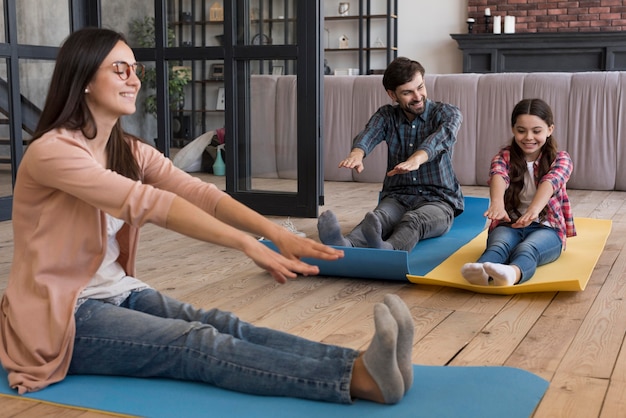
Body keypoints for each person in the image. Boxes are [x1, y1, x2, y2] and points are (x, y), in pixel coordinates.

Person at [0, 28, 416, 405]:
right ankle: (356, 380)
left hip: (118, 290)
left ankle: (366, 363)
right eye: (120, 68)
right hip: (64, 317)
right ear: (85, 79)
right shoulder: (54, 151)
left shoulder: (126, 150)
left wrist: (276, 233)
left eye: (135, 68)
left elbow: (200, 193)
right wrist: (247, 245)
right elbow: (149, 204)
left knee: (218, 321)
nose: (134, 78)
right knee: (194, 342)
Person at [317, 57, 464, 251]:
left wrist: (416, 159)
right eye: (407, 92)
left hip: (438, 200)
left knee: (414, 220)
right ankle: (345, 244)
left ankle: (388, 249)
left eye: (420, 87)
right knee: (379, 218)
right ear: (392, 95)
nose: (418, 96)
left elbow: (440, 139)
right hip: (398, 196)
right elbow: (370, 133)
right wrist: (357, 154)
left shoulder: (447, 113)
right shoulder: (387, 115)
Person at [461, 98, 576, 286]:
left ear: (550, 130)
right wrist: (497, 204)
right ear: (513, 130)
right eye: (521, 131)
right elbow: (498, 175)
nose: (529, 137)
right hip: (510, 223)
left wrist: (533, 210)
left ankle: (512, 274)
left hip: (547, 226)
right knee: (498, 246)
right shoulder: (503, 156)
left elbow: (551, 181)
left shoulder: (561, 158)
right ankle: (480, 270)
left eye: (536, 131)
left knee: (527, 248)